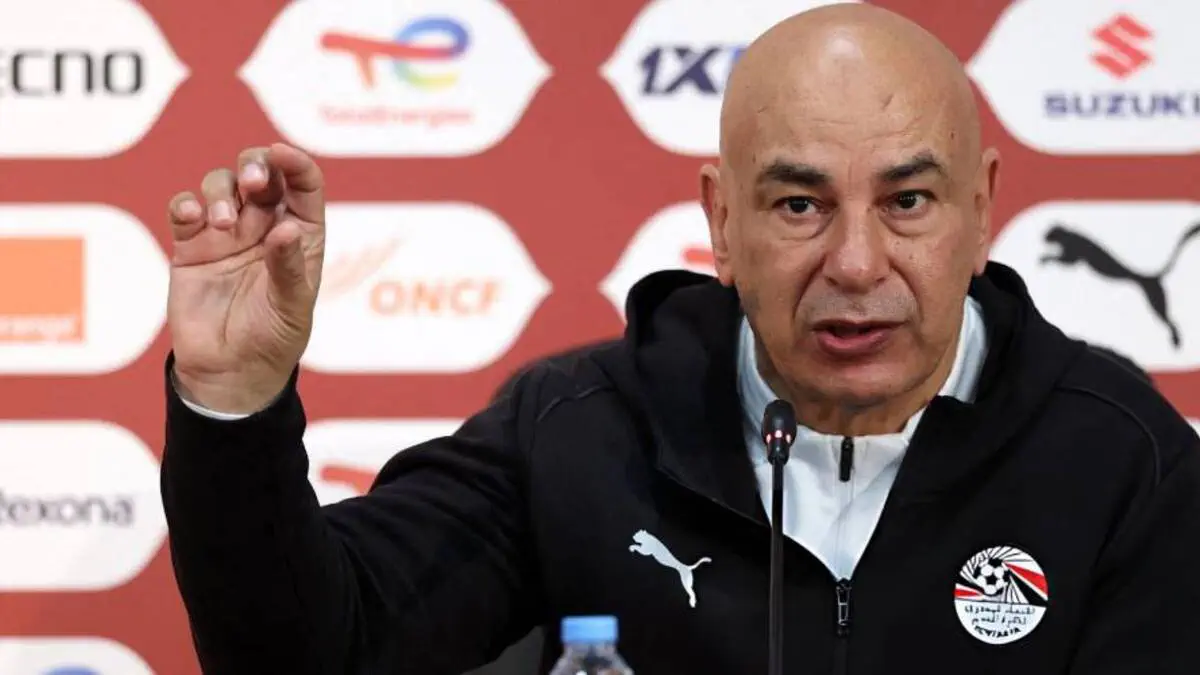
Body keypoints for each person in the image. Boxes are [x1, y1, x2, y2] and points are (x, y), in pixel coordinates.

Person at [159, 3, 1200, 674]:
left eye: (909, 202)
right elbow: (312, 651)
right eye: (799, 206)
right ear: (722, 224)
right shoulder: (578, 432)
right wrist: (234, 404)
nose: (855, 263)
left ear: (980, 212)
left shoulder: (1122, 461)